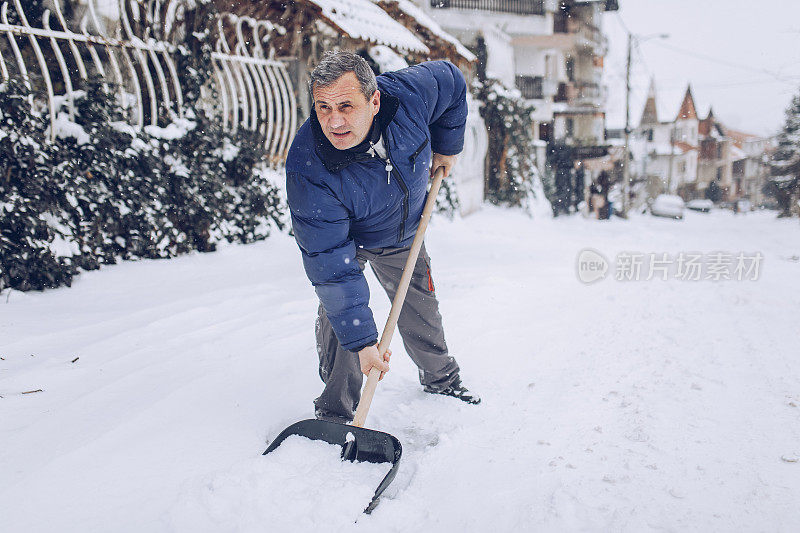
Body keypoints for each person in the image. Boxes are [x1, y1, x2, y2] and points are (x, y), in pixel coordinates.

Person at [285, 51, 480, 424]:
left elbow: (453, 82)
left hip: (405, 231)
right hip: (348, 240)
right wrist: (363, 344)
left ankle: (442, 381)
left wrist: (447, 146)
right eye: (323, 107)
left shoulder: (409, 95)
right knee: (342, 316)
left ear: (375, 100)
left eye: (346, 105)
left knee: (421, 310)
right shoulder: (308, 165)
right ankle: (335, 410)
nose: (334, 120)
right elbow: (331, 267)